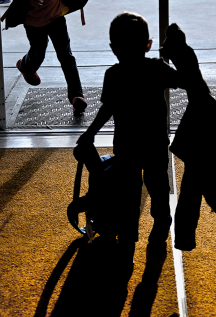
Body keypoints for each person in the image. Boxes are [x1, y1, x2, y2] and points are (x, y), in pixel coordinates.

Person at [75, 11, 182, 262]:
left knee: (129, 194)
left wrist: (89, 134)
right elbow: (185, 80)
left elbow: (107, 109)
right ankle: (161, 220)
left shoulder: (113, 75)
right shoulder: (157, 69)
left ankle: (127, 240)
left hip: (127, 145)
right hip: (154, 143)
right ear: (148, 45)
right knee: (157, 186)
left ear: (113, 48)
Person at [15, 0, 87, 115]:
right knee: (38, 53)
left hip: (55, 16)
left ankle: (77, 96)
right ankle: (25, 66)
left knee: (66, 57)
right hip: (34, 20)